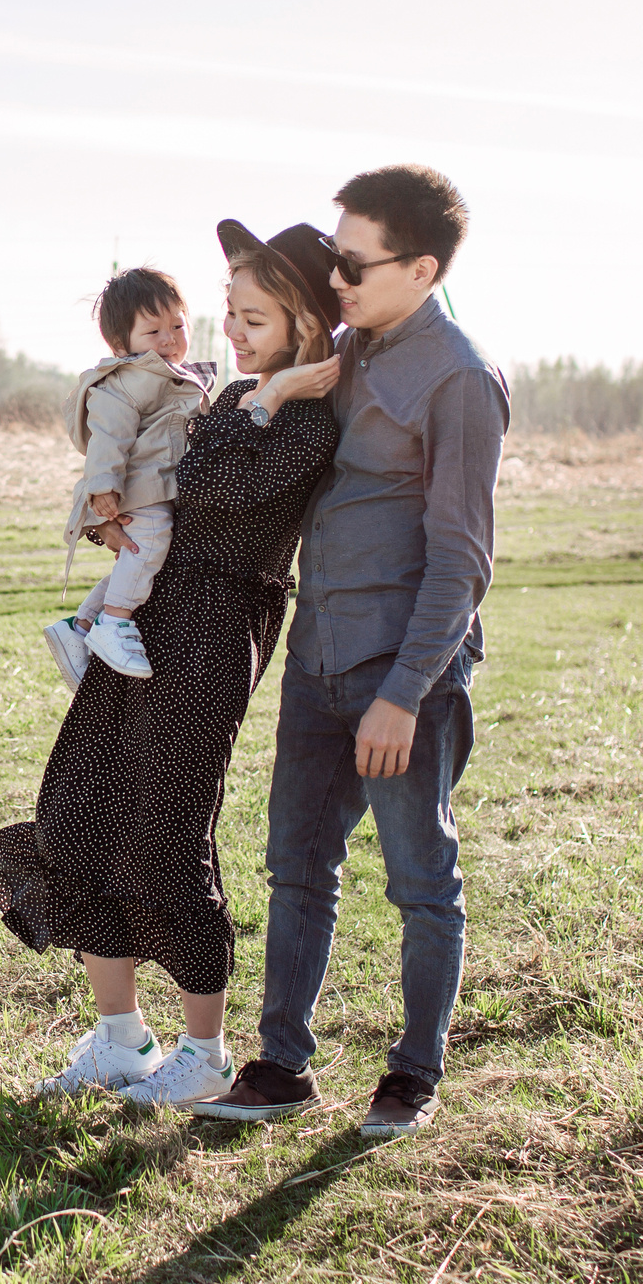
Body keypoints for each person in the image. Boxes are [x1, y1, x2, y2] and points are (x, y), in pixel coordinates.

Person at [0, 223, 344, 1106]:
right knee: (78, 807)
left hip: (216, 621)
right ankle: (120, 1038)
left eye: (254, 315)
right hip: (150, 614)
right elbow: (158, 465)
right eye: (230, 311)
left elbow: (210, 484)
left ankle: (205, 1051)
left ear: (303, 318)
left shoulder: (307, 410)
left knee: (165, 829)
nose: (233, 328)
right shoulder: (230, 395)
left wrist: (272, 393)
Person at [192, 164, 508, 1141]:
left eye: (353, 263)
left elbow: (461, 563)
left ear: (420, 267)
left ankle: (412, 1077)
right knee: (295, 868)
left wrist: (403, 695)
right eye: (333, 256)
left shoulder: (458, 380)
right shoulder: (349, 353)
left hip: (398, 678)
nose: (335, 277)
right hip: (316, 659)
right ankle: (281, 1066)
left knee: (419, 882)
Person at [41, 267, 220, 685]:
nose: (169, 338)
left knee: (141, 557)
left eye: (177, 324)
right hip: (140, 488)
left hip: (158, 486)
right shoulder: (131, 380)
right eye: (153, 331)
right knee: (148, 545)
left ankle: (81, 627)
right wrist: (105, 485)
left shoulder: (176, 376)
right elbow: (109, 435)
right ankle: (114, 622)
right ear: (122, 345)